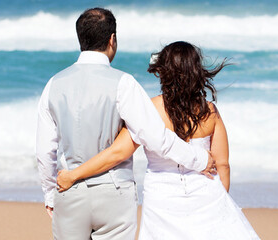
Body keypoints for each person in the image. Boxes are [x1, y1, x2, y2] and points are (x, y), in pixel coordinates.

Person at [36, 9, 214, 239]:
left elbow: (44, 152)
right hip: (115, 194)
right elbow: (156, 137)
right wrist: (199, 159)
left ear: (81, 39)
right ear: (112, 40)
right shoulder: (124, 84)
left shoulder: (53, 85)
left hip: (69, 190)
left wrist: (50, 193)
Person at [57, 41, 260, 239]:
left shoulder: (149, 109)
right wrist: (219, 201)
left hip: (162, 199)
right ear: (196, 71)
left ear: (163, 72)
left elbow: (117, 153)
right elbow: (222, 165)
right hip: (208, 194)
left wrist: (73, 175)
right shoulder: (210, 111)